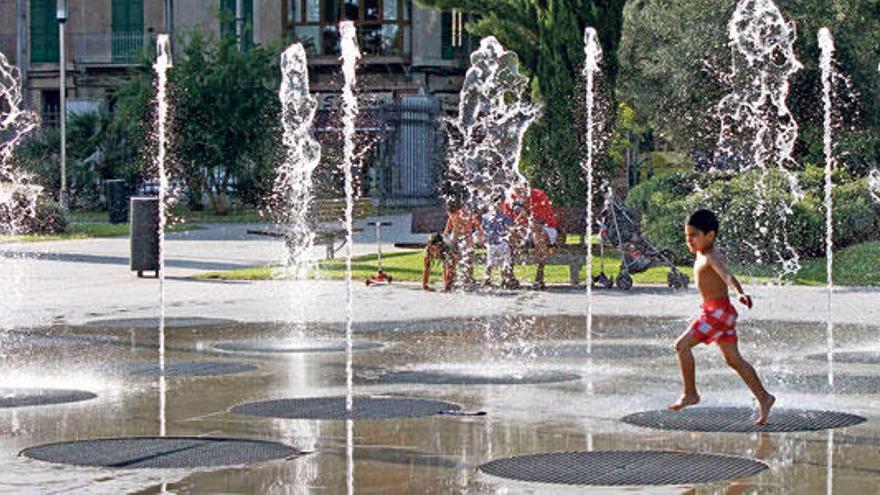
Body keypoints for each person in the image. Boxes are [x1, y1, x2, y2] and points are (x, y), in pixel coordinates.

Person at [669, 209, 775, 425]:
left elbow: (726, 275)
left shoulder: (710, 256)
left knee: (681, 346)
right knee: (734, 359)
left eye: (694, 236)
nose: (689, 240)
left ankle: (691, 393)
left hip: (716, 313)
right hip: (721, 313)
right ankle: (764, 397)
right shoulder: (701, 254)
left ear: (710, 235)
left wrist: (740, 292)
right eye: (687, 236)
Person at [504, 187, 558, 289]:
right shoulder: (510, 197)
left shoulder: (537, 195)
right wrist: (519, 219)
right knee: (511, 236)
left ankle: (539, 277)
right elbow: (508, 223)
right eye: (516, 189)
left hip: (546, 228)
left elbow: (540, 222)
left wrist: (527, 213)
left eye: (521, 188)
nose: (519, 191)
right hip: (524, 230)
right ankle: (510, 276)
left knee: (538, 236)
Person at [443, 199, 483, 289]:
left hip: (466, 236)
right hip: (456, 236)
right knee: (453, 258)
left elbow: (476, 224)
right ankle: (452, 279)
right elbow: (448, 228)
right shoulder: (452, 216)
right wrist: (446, 236)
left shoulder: (467, 215)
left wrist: (480, 233)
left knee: (468, 257)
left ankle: (468, 278)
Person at [481, 195, 518, 289]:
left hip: (502, 243)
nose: (500, 206)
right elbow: (483, 230)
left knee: (505, 263)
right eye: (498, 204)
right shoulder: (486, 217)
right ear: (492, 205)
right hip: (492, 243)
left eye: (501, 204)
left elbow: (510, 230)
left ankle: (503, 279)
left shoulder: (505, 217)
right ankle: (488, 280)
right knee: (490, 264)